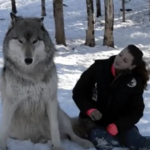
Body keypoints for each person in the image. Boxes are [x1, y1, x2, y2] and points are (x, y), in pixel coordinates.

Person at [72, 45, 150, 150]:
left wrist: (119, 126)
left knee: (137, 142)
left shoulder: (134, 81)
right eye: (120, 54)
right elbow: (78, 92)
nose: (119, 59)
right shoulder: (98, 67)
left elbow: (136, 110)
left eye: (125, 60)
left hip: (118, 124)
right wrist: (89, 109)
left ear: (131, 66)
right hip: (93, 122)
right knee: (103, 142)